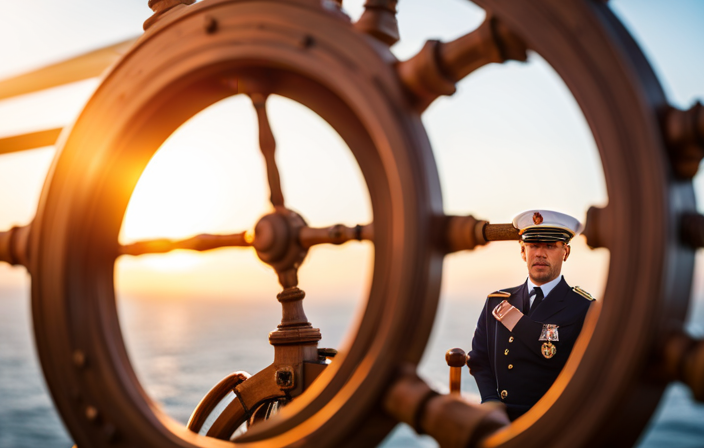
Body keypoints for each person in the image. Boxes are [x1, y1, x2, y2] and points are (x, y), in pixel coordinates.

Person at [467, 209, 595, 421]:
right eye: (534, 245)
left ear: (566, 252)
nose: (540, 254)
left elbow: (568, 360)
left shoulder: (583, 307)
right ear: (523, 252)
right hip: (500, 420)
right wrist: (491, 402)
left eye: (550, 246)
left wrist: (515, 321)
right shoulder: (497, 301)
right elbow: (479, 359)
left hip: (552, 423)